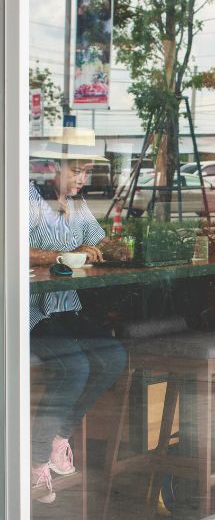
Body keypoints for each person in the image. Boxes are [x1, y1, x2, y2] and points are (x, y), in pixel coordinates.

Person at [29, 151, 128, 503]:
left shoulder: (77, 205)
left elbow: (97, 241)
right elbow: (10, 247)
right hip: (28, 313)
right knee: (75, 366)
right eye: (77, 171)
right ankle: (36, 461)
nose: (82, 179)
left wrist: (102, 248)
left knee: (113, 356)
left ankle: (59, 438)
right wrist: (61, 257)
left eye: (87, 172)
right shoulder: (28, 198)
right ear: (54, 169)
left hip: (66, 307)